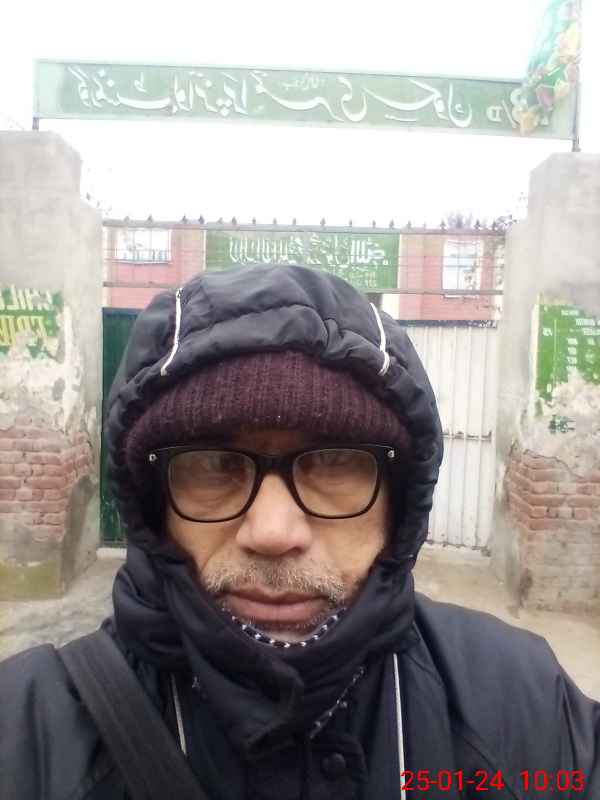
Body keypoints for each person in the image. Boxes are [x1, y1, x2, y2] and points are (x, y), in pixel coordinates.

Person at [1, 263, 598, 799]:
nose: (272, 531)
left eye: (334, 463)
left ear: (399, 506)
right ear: (153, 506)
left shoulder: (519, 704)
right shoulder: (31, 730)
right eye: (213, 465)